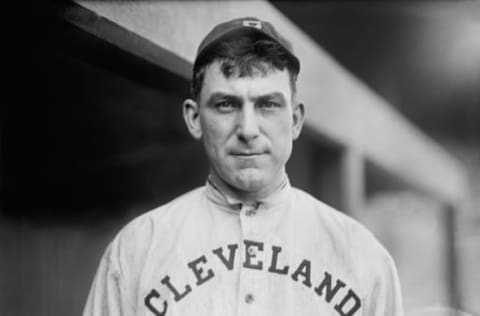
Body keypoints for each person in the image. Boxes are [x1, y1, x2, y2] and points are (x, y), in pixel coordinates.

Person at [83, 17, 404, 316]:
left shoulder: (362, 257)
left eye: (268, 105)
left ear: (294, 120)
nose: (248, 129)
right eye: (226, 104)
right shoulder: (136, 250)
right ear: (195, 118)